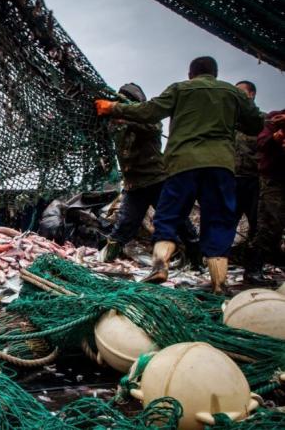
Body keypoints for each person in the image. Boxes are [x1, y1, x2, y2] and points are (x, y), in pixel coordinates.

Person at [95, 56, 263, 293]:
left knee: (169, 217)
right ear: (215, 73)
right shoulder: (231, 93)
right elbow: (256, 124)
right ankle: (218, 283)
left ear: (190, 74)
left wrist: (113, 107)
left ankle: (161, 266)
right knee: (219, 221)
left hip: (181, 165)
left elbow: (150, 112)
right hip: (220, 166)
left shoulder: (180, 89)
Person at [100, 83, 201, 270]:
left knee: (179, 221)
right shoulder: (115, 125)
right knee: (124, 225)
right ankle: (104, 260)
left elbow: (152, 127)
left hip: (158, 181)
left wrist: (127, 118)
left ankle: (197, 262)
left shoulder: (149, 119)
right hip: (134, 185)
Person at [245, 110, 285, 284]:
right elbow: (261, 143)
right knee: (270, 223)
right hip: (275, 180)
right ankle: (253, 268)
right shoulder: (276, 119)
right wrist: (275, 138)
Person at [233, 81, 261, 273]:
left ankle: (253, 269)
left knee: (258, 226)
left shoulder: (263, 122)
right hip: (232, 180)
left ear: (251, 95)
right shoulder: (228, 123)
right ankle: (217, 270)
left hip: (256, 182)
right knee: (224, 224)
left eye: (241, 93)